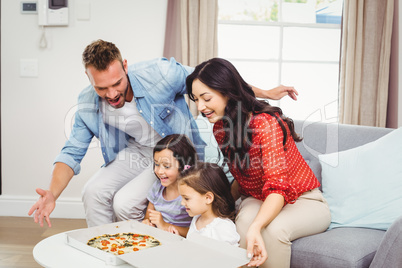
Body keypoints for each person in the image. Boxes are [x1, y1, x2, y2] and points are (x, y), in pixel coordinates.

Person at [28, 39, 298, 228]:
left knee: (124, 204)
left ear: (125, 65)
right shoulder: (87, 103)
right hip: (137, 151)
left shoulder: (159, 74)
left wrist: (264, 92)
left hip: (175, 152)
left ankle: (139, 255)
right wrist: (52, 193)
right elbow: (72, 151)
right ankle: (106, 256)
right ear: (88, 79)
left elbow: (214, 81)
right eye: (101, 88)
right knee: (92, 191)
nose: (111, 94)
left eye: (117, 83)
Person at [186, 58, 331, 268]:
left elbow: (277, 188)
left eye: (206, 98)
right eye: (196, 99)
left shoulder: (266, 124)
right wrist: (220, 206)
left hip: (305, 200)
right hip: (259, 197)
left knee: (273, 230)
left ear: (227, 92)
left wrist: (257, 226)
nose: (200, 107)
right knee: (243, 223)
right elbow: (241, 175)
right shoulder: (220, 127)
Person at [142, 134, 197, 237]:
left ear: (184, 165)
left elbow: (196, 233)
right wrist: (147, 223)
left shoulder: (191, 194)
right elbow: (147, 218)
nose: (159, 171)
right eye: (157, 164)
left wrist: (164, 225)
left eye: (166, 166)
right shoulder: (157, 188)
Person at [173, 162, 240, 246]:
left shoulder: (223, 227)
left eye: (186, 198)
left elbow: (231, 256)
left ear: (208, 198)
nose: (182, 203)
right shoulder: (197, 219)